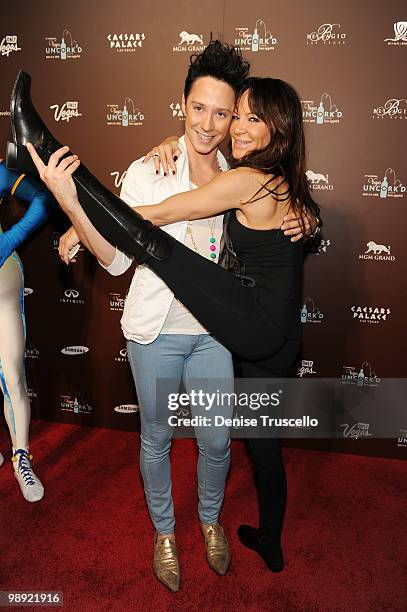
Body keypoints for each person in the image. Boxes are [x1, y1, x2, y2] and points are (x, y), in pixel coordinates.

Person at [9, 66, 319, 574]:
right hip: (155, 331)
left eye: (228, 114)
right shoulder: (151, 168)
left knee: (217, 440)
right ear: (182, 105)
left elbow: (253, 215)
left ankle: (211, 521)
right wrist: (81, 225)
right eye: (203, 109)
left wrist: (309, 217)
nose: (215, 124)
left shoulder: (237, 172)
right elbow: (114, 260)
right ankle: (165, 534)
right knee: (156, 438)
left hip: (216, 333)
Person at [0, 160, 55, 502]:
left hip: (1, 281)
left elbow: (44, 198)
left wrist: (11, 240)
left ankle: (21, 456)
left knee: (12, 376)